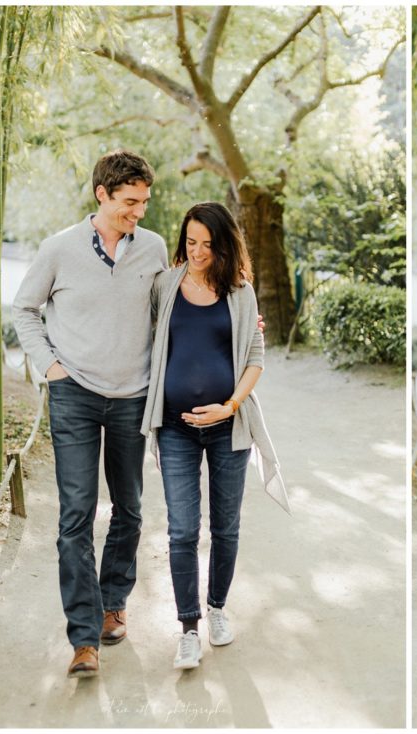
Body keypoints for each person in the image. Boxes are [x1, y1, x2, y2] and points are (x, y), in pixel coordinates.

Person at [13, 150, 167, 677]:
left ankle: (112, 604)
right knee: (76, 515)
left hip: (133, 396)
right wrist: (49, 365)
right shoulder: (58, 249)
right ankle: (83, 639)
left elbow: (172, 310)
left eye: (144, 202)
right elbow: (24, 308)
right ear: (102, 194)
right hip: (74, 393)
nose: (138, 212)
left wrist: (241, 318)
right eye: (129, 202)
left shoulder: (153, 248)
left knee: (129, 507)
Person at [140, 202, 289, 671]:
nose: (198, 251)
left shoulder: (241, 292)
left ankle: (218, 609)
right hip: (176, 429)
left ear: (223, 244)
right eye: (190, 242)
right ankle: (188, 628)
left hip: (229, 429)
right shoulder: (165, 285)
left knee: (226, 527)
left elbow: (256, 357)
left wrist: (228, 406)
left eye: (207, 243)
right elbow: (143, 338)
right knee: (183, 530)